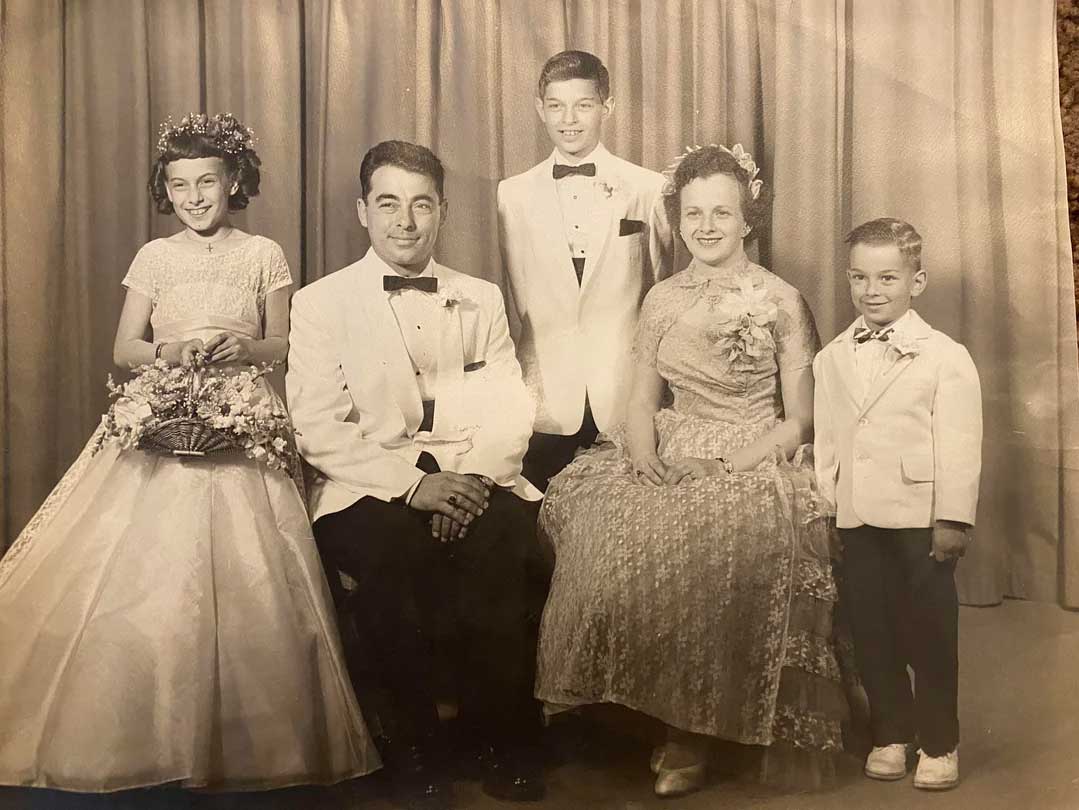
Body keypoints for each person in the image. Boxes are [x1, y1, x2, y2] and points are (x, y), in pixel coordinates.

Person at [0, 113, 378, 791]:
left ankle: (248, 743)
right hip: (165, 402)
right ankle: (140, 727)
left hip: (242, 408)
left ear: (233, 180)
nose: (194, 196)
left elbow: (284, 341)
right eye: (179, 185)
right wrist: (169, 351)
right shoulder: (155, 257)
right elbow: (125, 348)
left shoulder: (263, 254)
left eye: (207, 181)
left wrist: (247, 347)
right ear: (165, 188)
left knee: (251, 563)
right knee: (144, 560)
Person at [534, 144, 847, 798]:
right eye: (694, 213)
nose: (707, 226)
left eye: (722, 213)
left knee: (704, 548)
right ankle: (632, 711)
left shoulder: (782, 301)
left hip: (753, 453)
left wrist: (730, 462)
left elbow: (801, 422)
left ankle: (690, 733)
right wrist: (643, 452)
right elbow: (642, 401)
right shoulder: (661, 299)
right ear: (677, 220)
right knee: (604, 532)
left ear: (748, 220)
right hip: (670, 443)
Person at [287, 140, 546, 809]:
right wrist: (414, 487)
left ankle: (502, 738)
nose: (405, 221)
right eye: (388, 204)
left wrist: (473, 483)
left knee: (506, 545)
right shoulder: (320, 303)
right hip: (367, 483)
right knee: (392, 555)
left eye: (421, 205)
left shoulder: (480, 296)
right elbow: (317, 426)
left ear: (442, 212)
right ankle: (415, 746)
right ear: (363, 211)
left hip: (473, 475)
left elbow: (510, 407)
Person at [814, 217, 982, 791]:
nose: (872, 290)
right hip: (858, 516)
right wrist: (830, 506)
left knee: (929, 632)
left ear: (917, 281)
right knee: (871, 629)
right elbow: (829, 444)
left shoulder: (945, 356)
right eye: (859, 277)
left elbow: (959, 443)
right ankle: (892, 732)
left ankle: (939, 742)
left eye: (887, 277)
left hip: (920, 518)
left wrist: (952, 518)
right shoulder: (832, 357)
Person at [498, 49, 673, 491]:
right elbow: (522, 297)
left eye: (583, 105)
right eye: (556, 106)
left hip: (623, 391)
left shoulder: (648, 188)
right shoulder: (512, 195)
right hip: (545, 395)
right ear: (540, 109)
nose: (569, 120)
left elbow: (658, 289)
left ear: (607, 107)